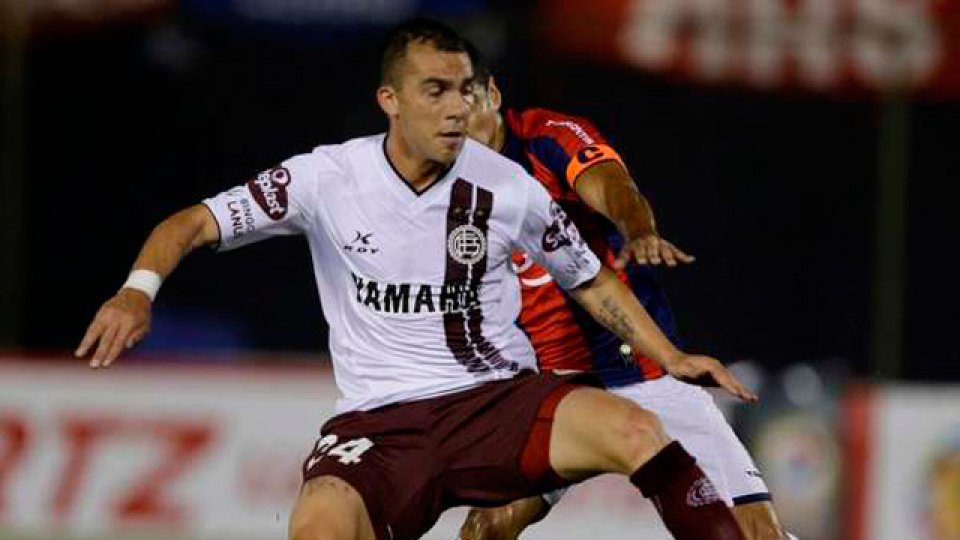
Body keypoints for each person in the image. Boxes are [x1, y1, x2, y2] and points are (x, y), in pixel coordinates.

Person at [74, 19, 757, 540]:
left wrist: (669, 358)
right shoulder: (326, 178)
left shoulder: (507, 187)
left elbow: (591, 279)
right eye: (435, 90)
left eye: (464, 90)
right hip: (381, 422)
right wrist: (138, 289)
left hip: (497, 401)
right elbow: (191, 222)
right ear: (390, 100)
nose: (457, 108)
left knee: (639, 433)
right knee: (318, 528)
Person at [457, 46, 796, 540]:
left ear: (492, 94)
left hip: (641, 371)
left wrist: (637, 229)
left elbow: (612, 185)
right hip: (557, 386)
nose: (456, 119)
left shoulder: (546, 137)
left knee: (753, 533)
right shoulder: (448, 174)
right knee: (487, 527)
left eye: (466, 100)